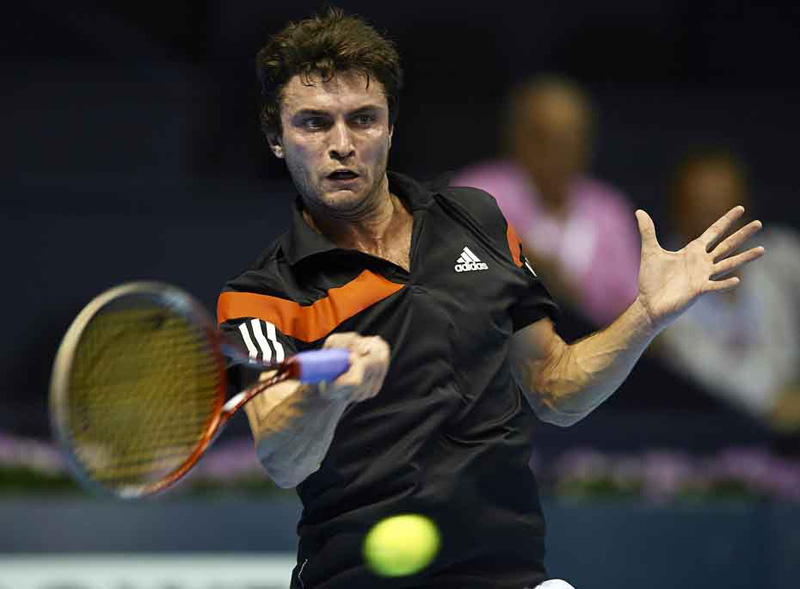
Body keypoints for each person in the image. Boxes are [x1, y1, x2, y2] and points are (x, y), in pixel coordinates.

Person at [216, 9, 764, 588]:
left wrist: (645, 316)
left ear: (391, 127)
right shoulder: (261, 297)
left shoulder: (476, 219)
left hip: (508, 576)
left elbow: (554, 387)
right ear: (276, 139)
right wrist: (326, 392)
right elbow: (283, 457)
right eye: (314, 124)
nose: (343, 145)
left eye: (363, 119)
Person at [450, 76, 640, 327]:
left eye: (571, 141)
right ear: (517, 137)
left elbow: (633, 307)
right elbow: (453, 277)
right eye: (546, 139)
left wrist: (575, 295)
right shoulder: (475, 192)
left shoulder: (610, 211)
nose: (559, 154)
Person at [656, 147, 800, 437]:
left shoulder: (782, 258)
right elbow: (708, 379)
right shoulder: (659, 290)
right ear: (680, 213)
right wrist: (775, 402)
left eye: (727, 206)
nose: (718, 222)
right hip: (712, 435)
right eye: (704, 208)